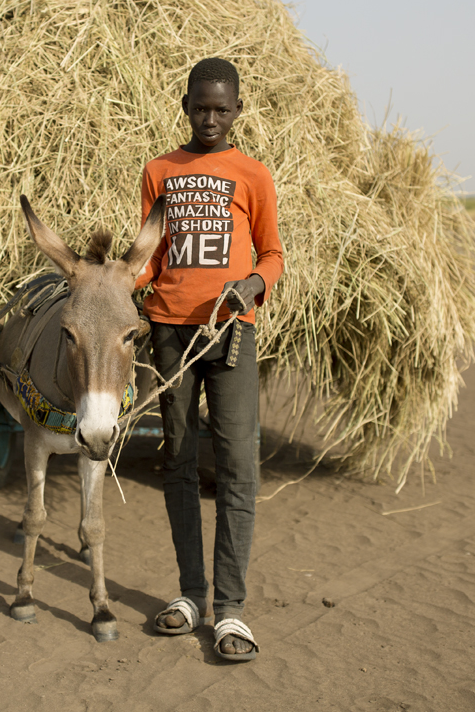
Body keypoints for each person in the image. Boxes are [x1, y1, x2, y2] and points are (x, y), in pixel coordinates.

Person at [135, 57, 284, 662]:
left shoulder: (254, 176)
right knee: (177, 460)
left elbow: (272, 253)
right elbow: (151, 252)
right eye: (201, 107)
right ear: (186, 106)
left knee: (237, 465)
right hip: (171, 333)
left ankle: (231, 612)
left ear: (238, 110)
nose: (211, 118)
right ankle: (190, 595)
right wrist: (125, 284)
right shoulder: (159, 171)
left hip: (231, 335)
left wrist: (252, 284)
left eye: (222, 109)